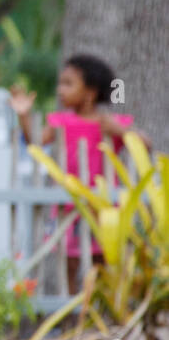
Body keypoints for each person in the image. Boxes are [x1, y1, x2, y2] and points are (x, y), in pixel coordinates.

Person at [11, 53, 150, 290]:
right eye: (60, 83)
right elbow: (35, 142)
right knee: (71, 260)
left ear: (90, 91)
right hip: (70, 206)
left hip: (103, 207)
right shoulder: (60, 121)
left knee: (104, 258)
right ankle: (72, 311)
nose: (60, 90)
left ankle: (104, 310)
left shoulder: (109, 123)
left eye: (68, 83)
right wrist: (23, 115)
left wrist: (120, 131)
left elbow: (145, 145)